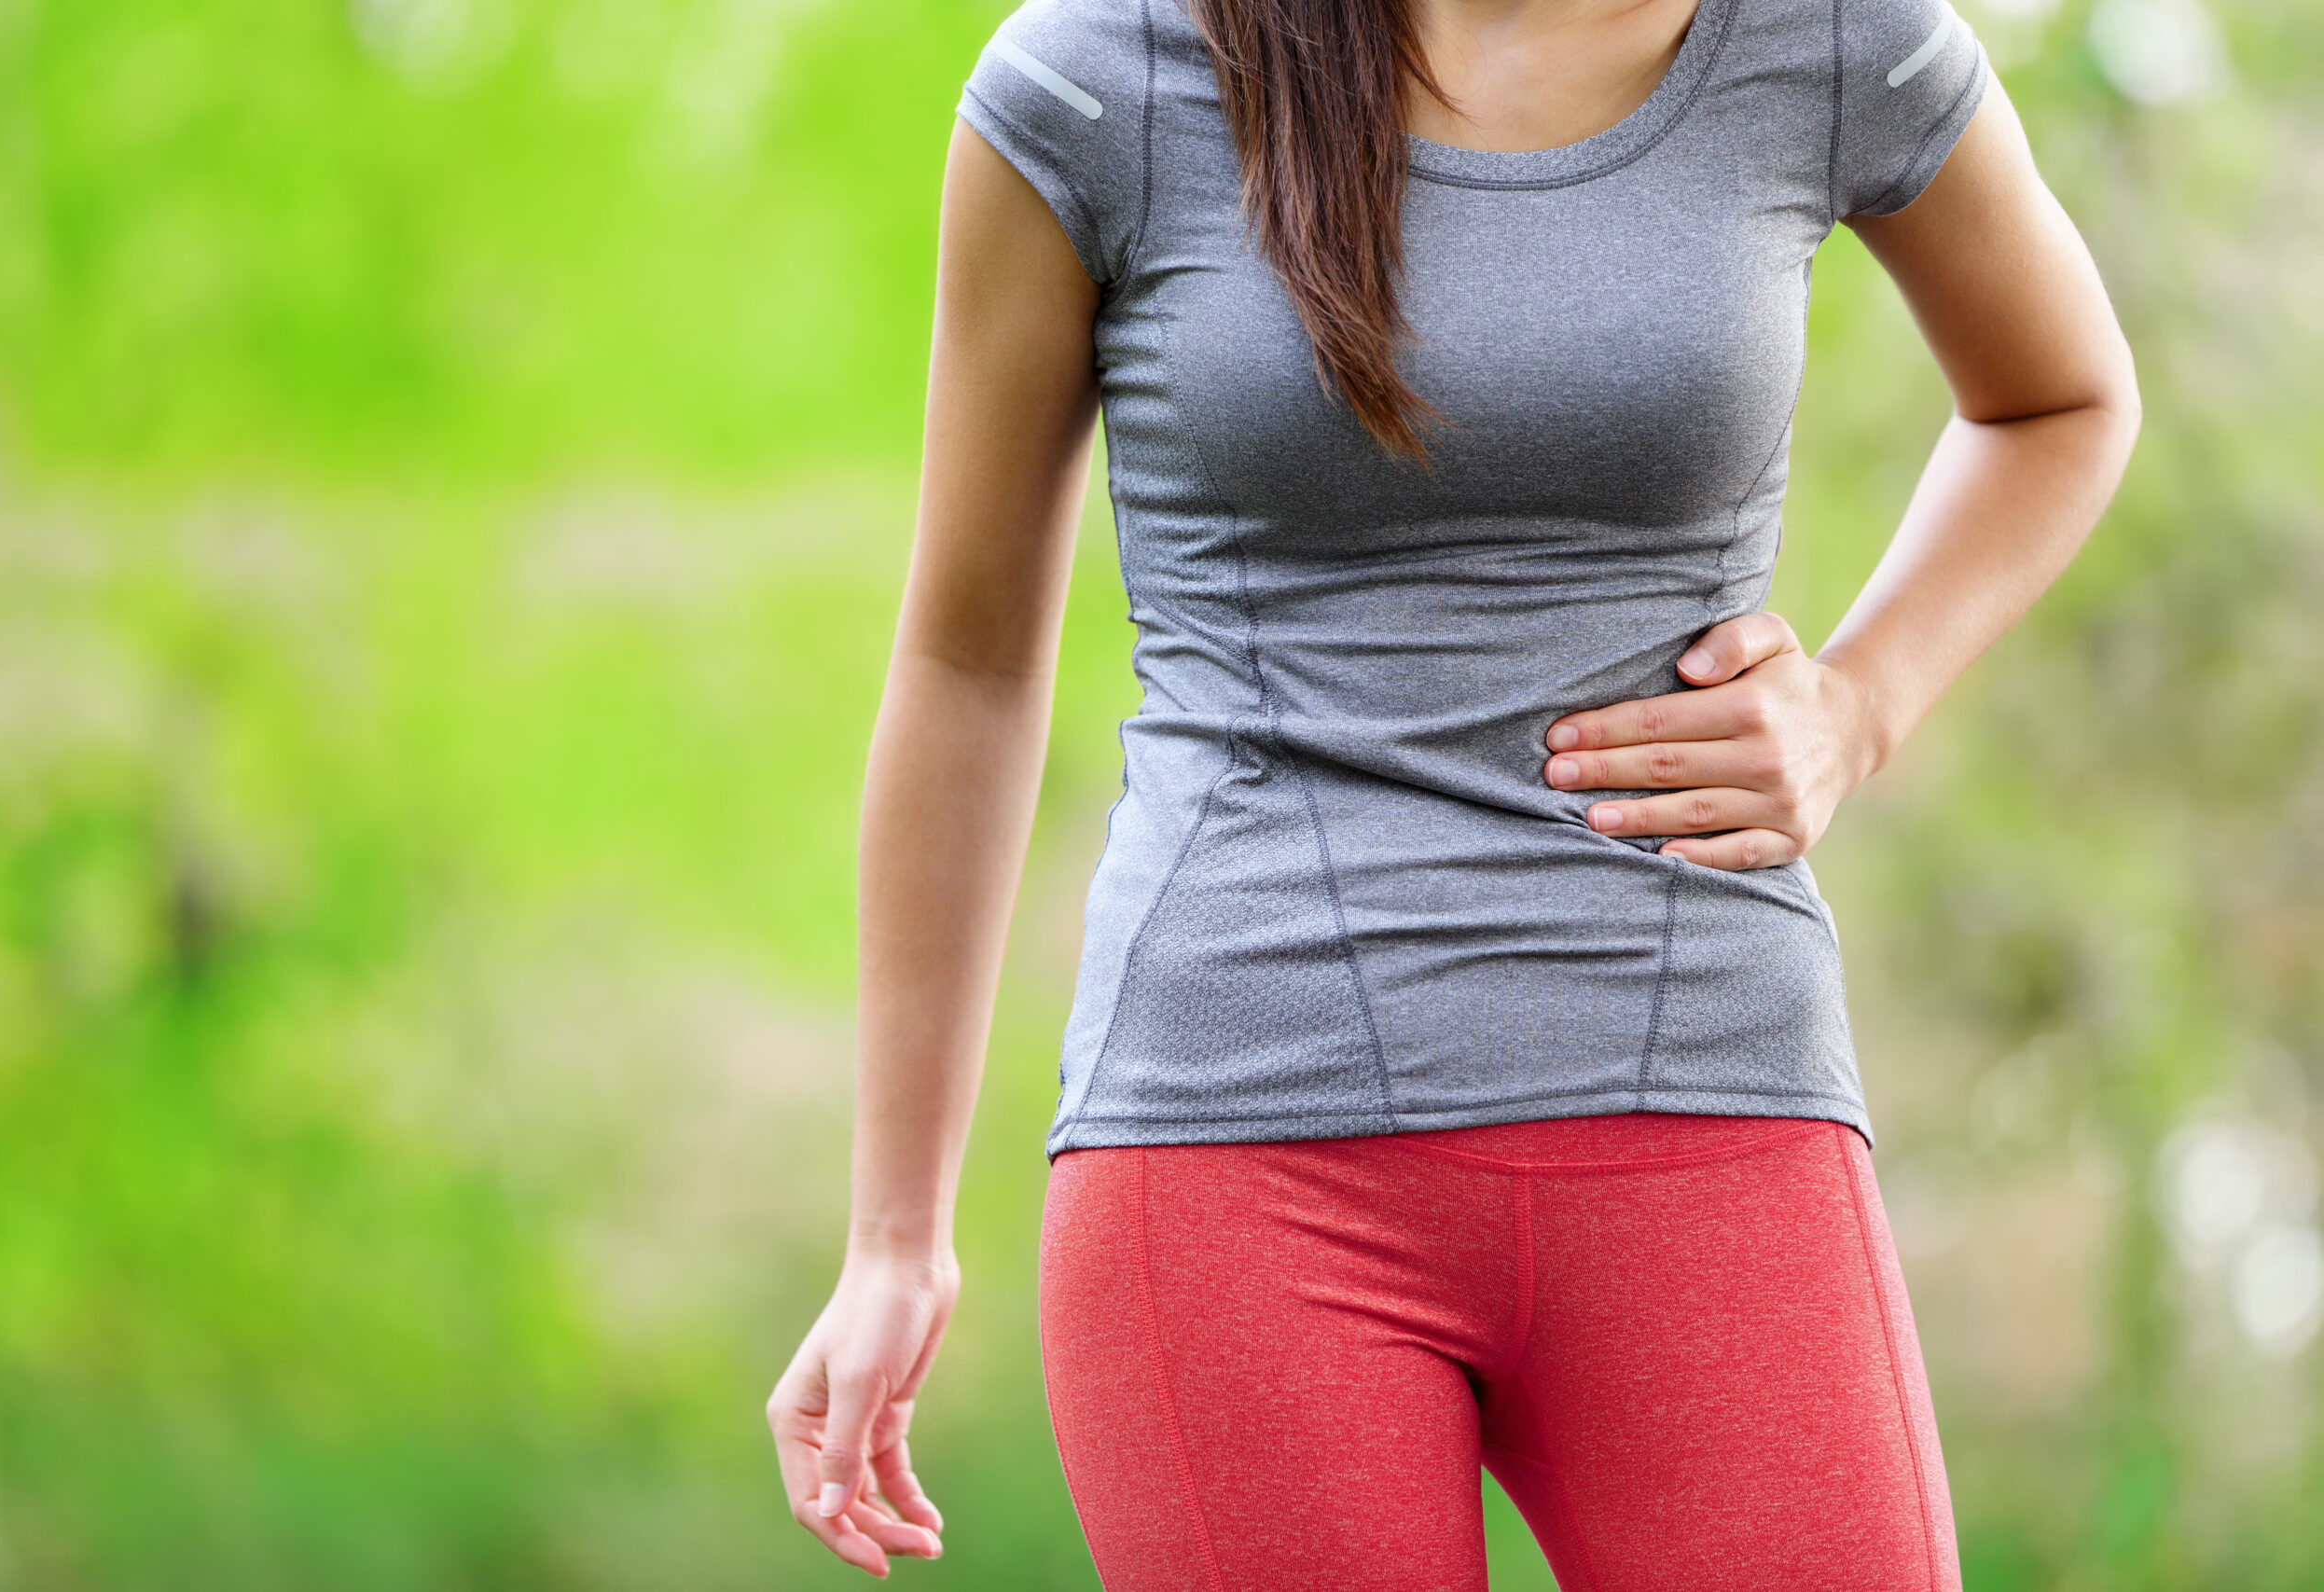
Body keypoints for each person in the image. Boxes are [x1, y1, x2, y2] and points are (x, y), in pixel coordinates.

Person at [767, 0, 2137, 1581]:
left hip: (1705, 1091)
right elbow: (968, 662)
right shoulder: (1104, 77)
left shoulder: (1826, 43)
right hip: (1241, 1149)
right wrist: (893, 1235)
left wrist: (1860, 705)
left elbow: (2061, 398)